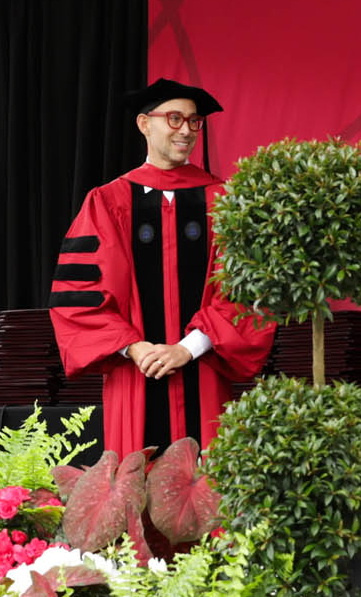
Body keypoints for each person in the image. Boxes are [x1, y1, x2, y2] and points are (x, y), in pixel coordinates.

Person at [49, 79, 274, 454]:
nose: (186, 130)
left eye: (194, 121)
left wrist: (186, 349)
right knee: (136, 487)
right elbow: (80, 298)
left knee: (204, 493)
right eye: (174, 119)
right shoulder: (107, 201)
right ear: (143, 124)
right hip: (135, 375)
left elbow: (247, 293)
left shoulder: (226, 201)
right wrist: (135, 348)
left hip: (203, 368)